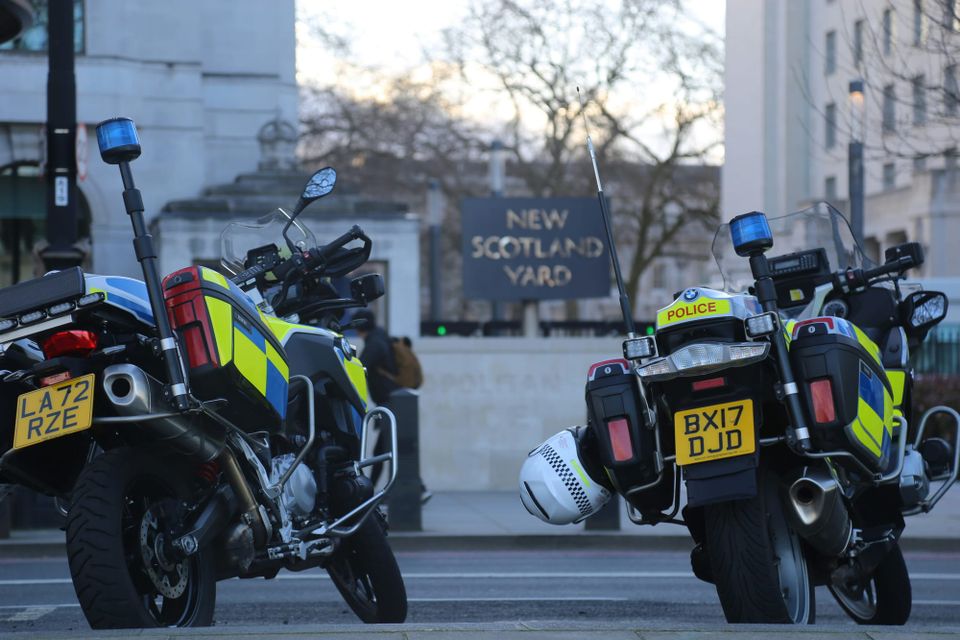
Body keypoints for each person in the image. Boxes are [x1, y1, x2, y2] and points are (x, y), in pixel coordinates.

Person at [353, 309, 431, 504]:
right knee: (383, 450)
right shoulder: (382, 338)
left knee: (389, 450)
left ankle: (416, 489)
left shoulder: (374, 344)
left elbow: (358, 368)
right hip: (392, 403)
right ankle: (372, 493)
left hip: (390, 404)